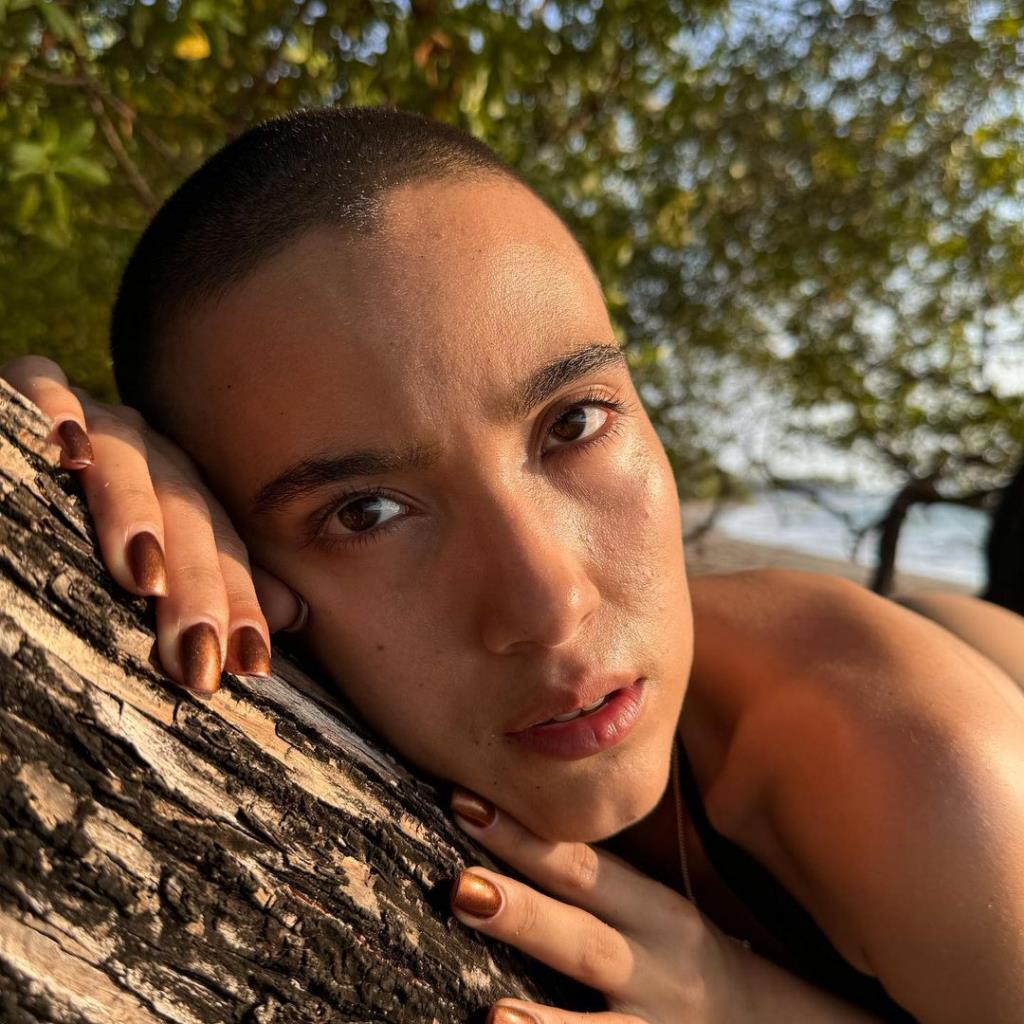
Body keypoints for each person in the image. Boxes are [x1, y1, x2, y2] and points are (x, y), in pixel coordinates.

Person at [3, 106, 1023, 1024]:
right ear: (242, 557)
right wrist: (86, 472)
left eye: (573, 423)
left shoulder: (938, 785)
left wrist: (744, 1003)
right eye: (366, 512)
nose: (550, 602)